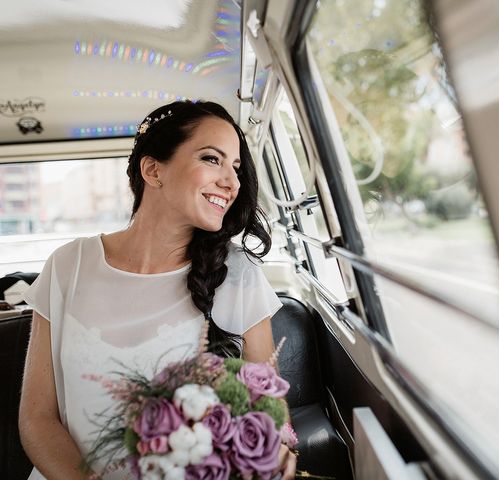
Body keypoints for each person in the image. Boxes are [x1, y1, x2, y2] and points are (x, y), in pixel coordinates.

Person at [19, 100, 297, 479]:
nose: (232, 182)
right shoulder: (69, 264)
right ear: (153, 170)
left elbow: (269, 412)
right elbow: (37, 419)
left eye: (235, 167)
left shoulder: (240, 274)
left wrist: (278, 446)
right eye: (212, 159)